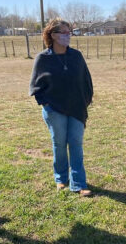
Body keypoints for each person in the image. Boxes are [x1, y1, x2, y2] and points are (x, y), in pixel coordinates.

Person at [29, 18, 93, 197]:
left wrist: (85, 100)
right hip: (54, 110)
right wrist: (46, 104)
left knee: (75, 144)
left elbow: (86, 80)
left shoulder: (76, 56)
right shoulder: (43, 58)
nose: (68, 36)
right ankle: (61, 178)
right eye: (64, 33)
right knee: (58, 143)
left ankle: (79, 183)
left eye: (69, 32)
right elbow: (35, 86)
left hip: (77, 109)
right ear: (53, 35)